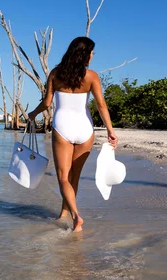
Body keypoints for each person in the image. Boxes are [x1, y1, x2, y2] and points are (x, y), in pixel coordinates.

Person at [27, 37, 118, 232]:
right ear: (84, 55)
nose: (92, 56)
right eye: (91, 53)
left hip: (63, 128)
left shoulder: (55, 73)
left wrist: (33, 114)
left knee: (63, 177)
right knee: (74, 177)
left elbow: (47, 103)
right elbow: (101, 105)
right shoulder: (92, 76)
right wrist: (110, 131)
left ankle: (76, 216)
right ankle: (64, 214)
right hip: (85, 129)